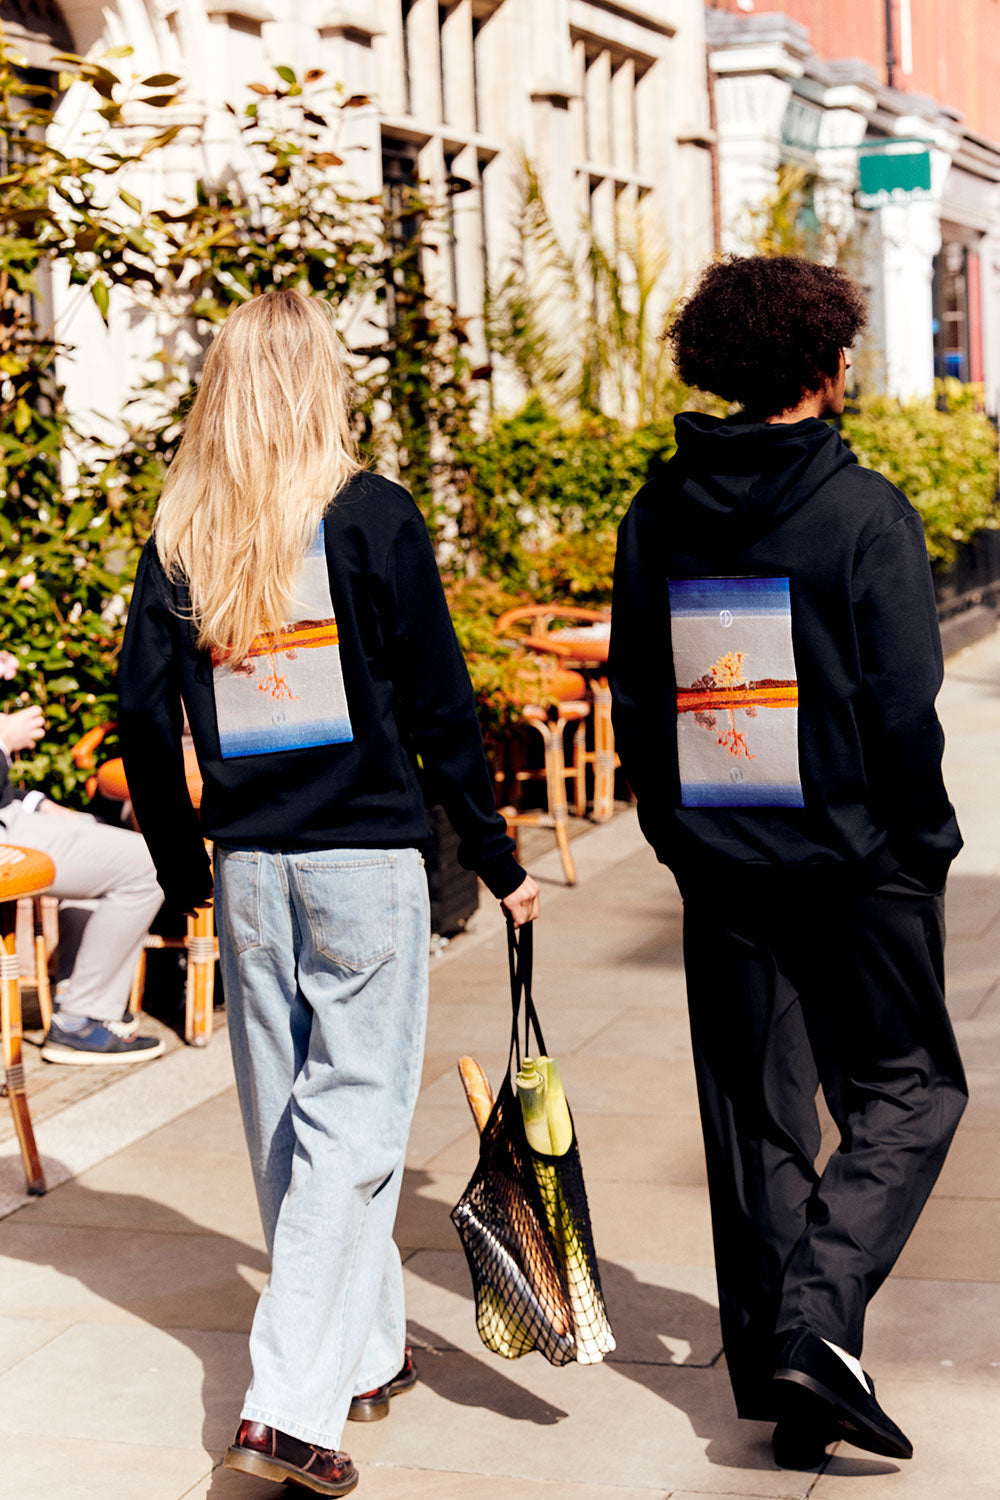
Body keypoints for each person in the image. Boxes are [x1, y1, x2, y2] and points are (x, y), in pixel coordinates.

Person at [117, 287, 539, 1498]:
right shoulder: (371, 516)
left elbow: (142, 713)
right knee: (351, 1130)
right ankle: (286, 1409)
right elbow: (442, 708)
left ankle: (361, 1354)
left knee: (288, 1127)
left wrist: (181, 867)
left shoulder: (184, 531)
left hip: (251, 867)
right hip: (362, 864)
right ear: (319, 386)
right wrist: (496, 858)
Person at [609, 254, 967, 1472]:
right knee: (910, 1093)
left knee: (755, 1120)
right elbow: (902, 711)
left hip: (724, 862)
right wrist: (923, 847)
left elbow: (638, 699)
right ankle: (815, 1326)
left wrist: (676, 835)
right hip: (855, 865)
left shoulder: (656, 513)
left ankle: (795, 1375)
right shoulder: (863, 513)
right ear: (824, 366)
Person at [0, 701, 164, 1063]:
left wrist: (36, 803)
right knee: (148, 865)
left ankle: (74, 997)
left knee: (97, 835)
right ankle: (80, 1018)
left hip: (9, 816)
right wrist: (4, 738)